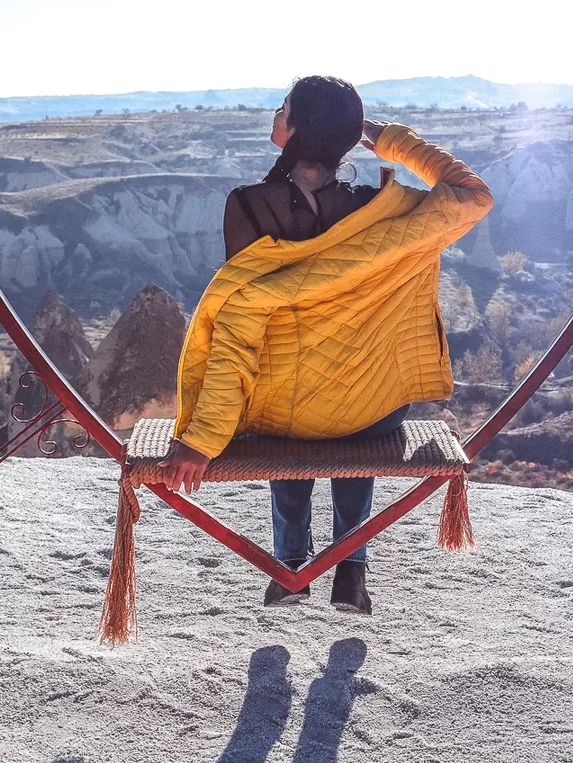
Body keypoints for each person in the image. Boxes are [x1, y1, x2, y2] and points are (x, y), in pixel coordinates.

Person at [160, 74, 493, 614]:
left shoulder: (248, 206)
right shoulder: (385, 209)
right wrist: (384, 137)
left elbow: (242, 324)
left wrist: (203, 437)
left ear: (295, 129)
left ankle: (291, 565)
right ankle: (351, 572)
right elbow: (473, 194)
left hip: (284, 413)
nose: (275, 114)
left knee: (286, 397)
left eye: (283, 107)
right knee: (358, 401)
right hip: (371, 414)